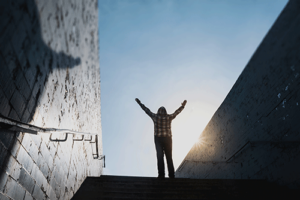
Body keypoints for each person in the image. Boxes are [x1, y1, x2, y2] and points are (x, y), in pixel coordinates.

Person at [135, 98, 187, 179]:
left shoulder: (155, 116)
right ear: (165, 112)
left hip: (158, 139)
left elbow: (146, 110)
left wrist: (139, 103)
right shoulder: (169, 117)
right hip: (168, 139)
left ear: (158, 111)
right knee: (169, 157)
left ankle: (161, 175)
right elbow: (176, 112)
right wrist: (182, 106)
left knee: (160, 157)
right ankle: (171, 175)